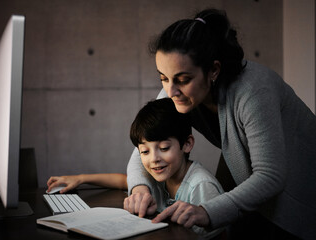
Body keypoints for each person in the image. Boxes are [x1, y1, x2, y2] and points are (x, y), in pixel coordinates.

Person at [125, 8, 316, 240]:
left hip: (301, 181)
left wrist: (207, 210)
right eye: (163, 78)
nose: (170, 91)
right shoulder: (177, 92)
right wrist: (140, 189)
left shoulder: (254, 91)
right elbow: (144, 146)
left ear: (213, 70)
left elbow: (271, 175)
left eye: (183, 80)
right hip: (252, 173)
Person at [47, 98, 225, 239]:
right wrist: (81, 178)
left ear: (187, 144)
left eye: (164, 148)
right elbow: (123, 181)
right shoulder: (160, 175)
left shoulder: (201, 186)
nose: (154, 159)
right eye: (145, 151)